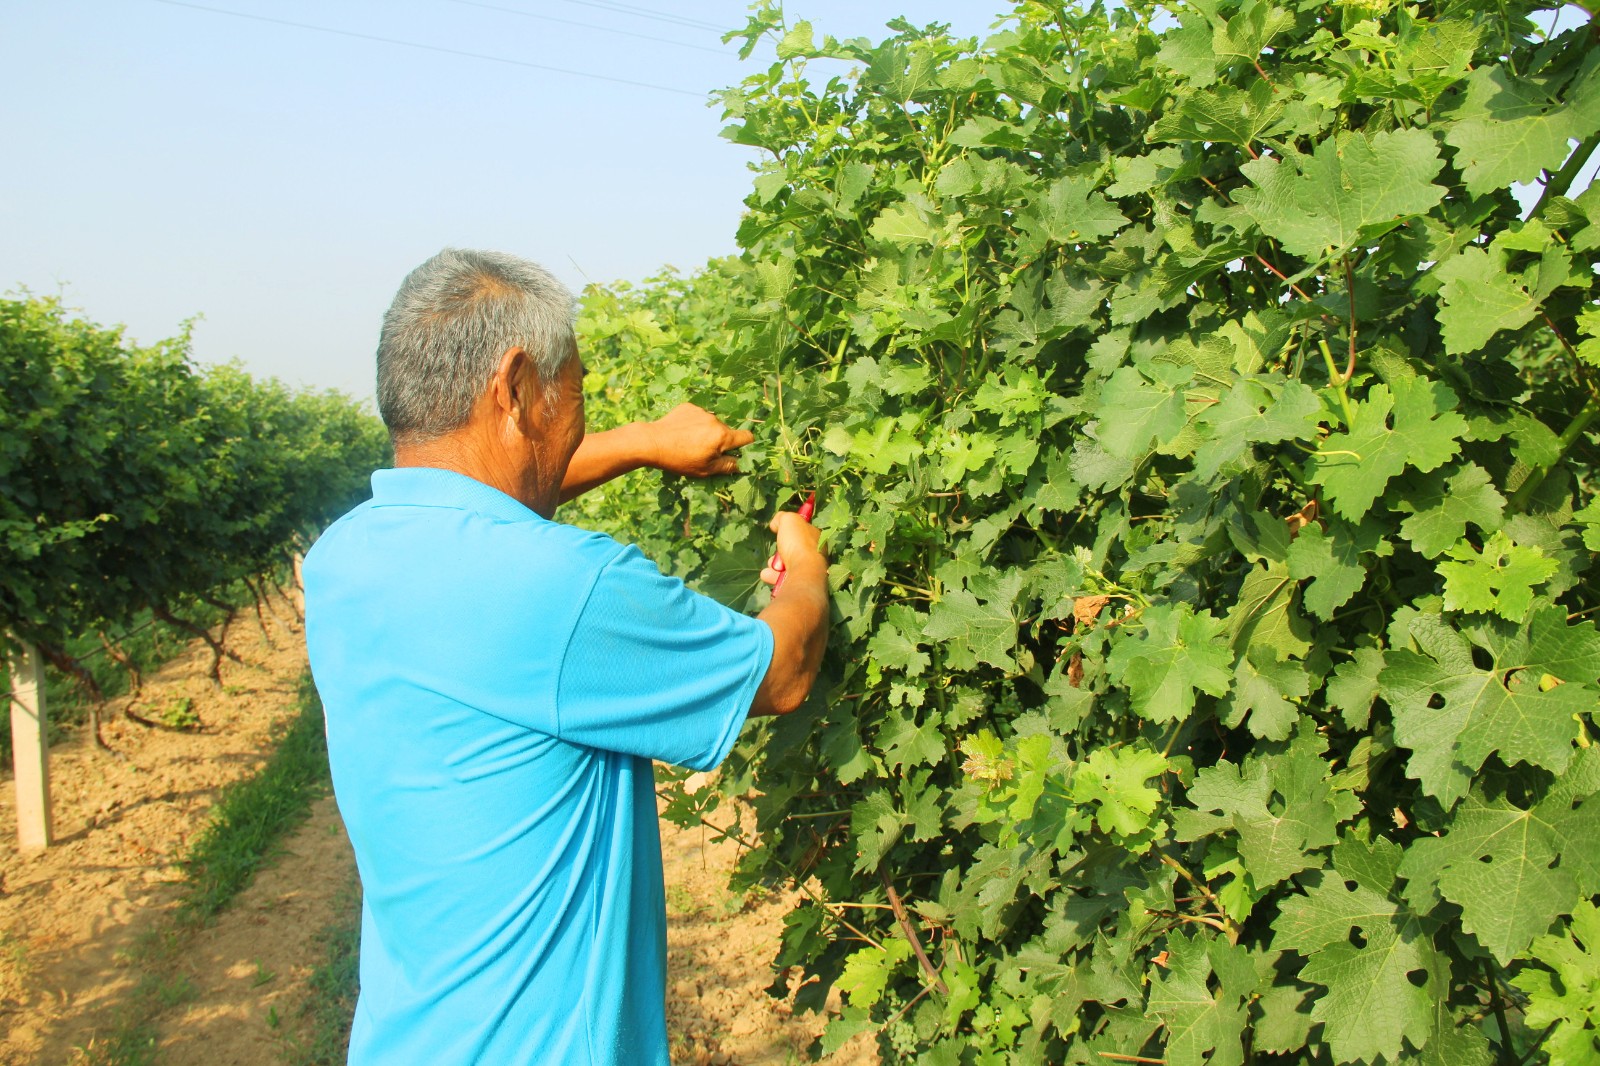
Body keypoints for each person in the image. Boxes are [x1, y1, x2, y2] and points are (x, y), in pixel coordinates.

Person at [302, 247, 830, 1065]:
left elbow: (486, 491)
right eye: (577, 391)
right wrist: (806, 567)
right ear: (515, 388)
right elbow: (784, 670)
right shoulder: (567, 588)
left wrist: (645, 442)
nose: (580, 418)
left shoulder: (345, 556)